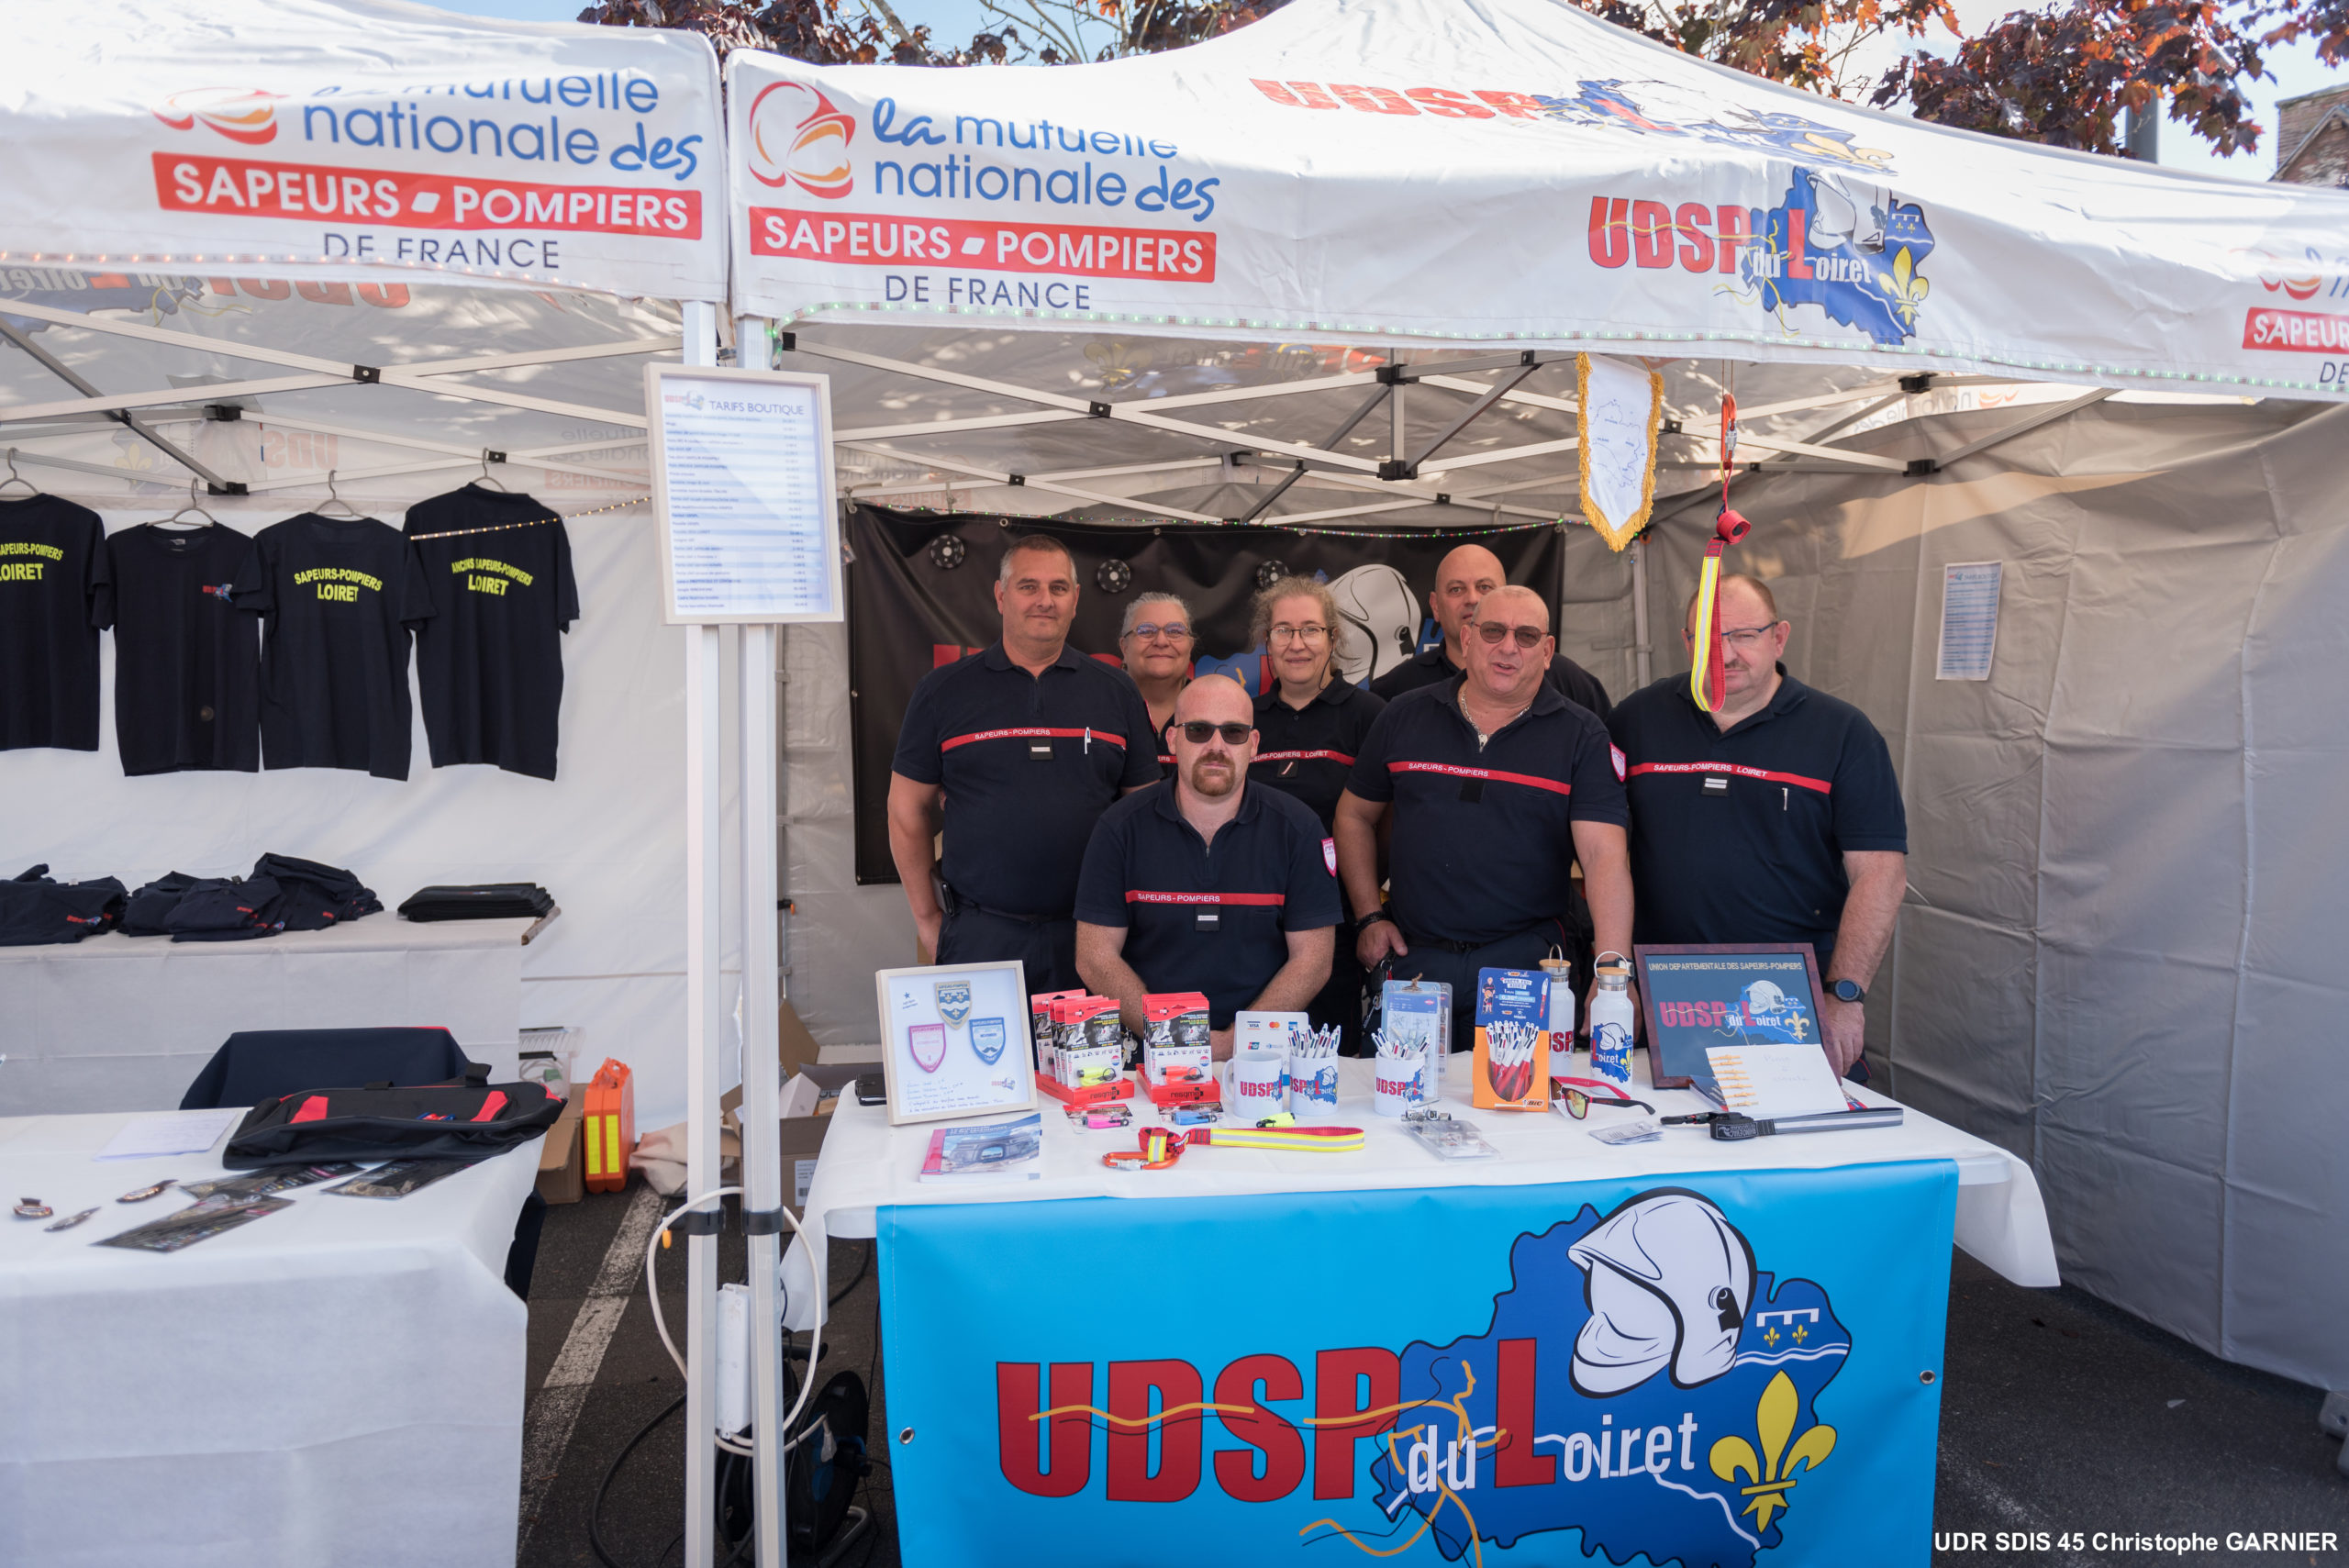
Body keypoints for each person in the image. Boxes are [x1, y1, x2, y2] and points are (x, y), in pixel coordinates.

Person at [1606, 573, 1908, 1079]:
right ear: (1687, 643)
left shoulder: (1842, 734)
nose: (1725, 654)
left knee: (1793, 1128)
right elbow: (1599, 853)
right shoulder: (1634, 721)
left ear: (1779, 637)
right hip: (1665, 996)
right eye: (1708, 637)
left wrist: (1844, 996)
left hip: (1788, 1000)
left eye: (1744, 635)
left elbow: (1880, 874)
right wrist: (1617, 979)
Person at [1335, 585, 1633, 1039]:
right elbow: (1353, 816)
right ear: (1468, 637)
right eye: (1494, 631)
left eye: (1526, 636)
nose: (1508, 647)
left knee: (1519, 1086)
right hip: (1417, 961)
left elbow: (1604, 857)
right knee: (1398, 1085)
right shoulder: (1404, 715)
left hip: (1526, 966)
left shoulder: (1582, 735)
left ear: (1548, 651)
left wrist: (1612, 975)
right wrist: (1369, 918)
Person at [887, 535, 1160, 993]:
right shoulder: (943, 691)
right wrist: (928, 920)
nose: (1044, 600)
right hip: (981, 936)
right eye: (1028, 586)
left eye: (1058, 588)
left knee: (1092, 1049)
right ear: (1000, 595)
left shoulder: (1117, 691)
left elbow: (1146, 815)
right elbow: (905, 810)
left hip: (1093, 939)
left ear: (1075, 599)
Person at [1075, 674, 1341, 1057]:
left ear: (1253, 744)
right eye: (1198, 730)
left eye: (1233, 733)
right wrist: (1176, 1039)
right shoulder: (1119, 827)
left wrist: (1236, 1041)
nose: (1216, 746)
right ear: (1172, 740)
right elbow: (1094, 957)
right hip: (1149, 1055)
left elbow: (1313, 961)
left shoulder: (1298, 829)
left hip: (1262, 1058)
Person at [1244, 574, 1386, 1048]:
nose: (1297, 643)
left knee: (1329, 1063)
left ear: (1333, 638)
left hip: (1337, 926)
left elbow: (1388, 823)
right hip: (1253, 923)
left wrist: (1369, 914)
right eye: (1283, 630)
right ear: (1267, 641)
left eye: (1310, 629)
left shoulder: (1370, 715)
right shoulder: (1245, 718)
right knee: (1254, 1051)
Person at [1370, 542, 1612, 719]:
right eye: (1456, 589)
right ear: (1435, 606)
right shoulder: (1395, 691)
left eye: (1485, 587)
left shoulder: (1570, 681)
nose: (1473, 599)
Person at [1118, 591, 1195, 764]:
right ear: (1125, 647)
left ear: (1190, 646)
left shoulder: (1212, 711)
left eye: (1175, 631)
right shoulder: (1101, 710)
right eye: (1146, 631)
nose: (1161, 641)